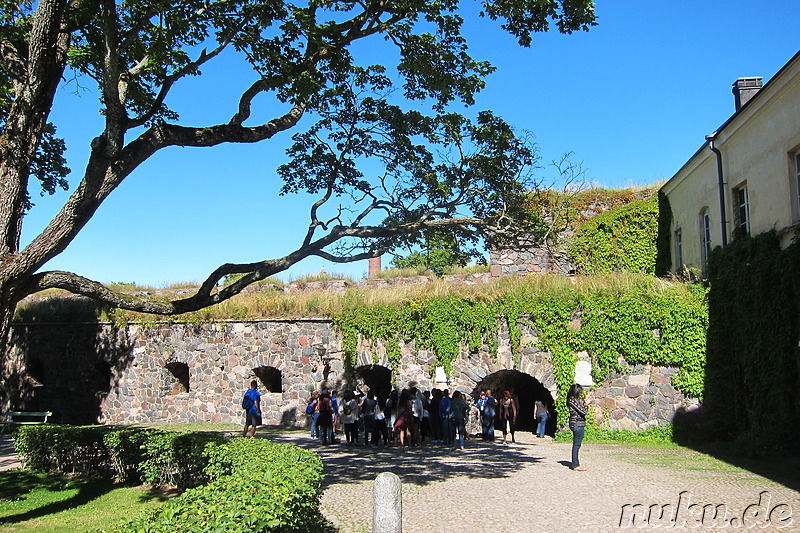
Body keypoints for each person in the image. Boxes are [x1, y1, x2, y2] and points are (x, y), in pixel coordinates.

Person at [567, 384, 589, 471]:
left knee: (577, 444)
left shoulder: (575, 401)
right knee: (576, 445)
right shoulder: (572, 401)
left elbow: (580, 408)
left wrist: (584, 402)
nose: (581, 393)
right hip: (577, 424)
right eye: (580, 392)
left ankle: (576, 464)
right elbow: (583, 411)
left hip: (578, 424)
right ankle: (575, 465)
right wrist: (586, 405)